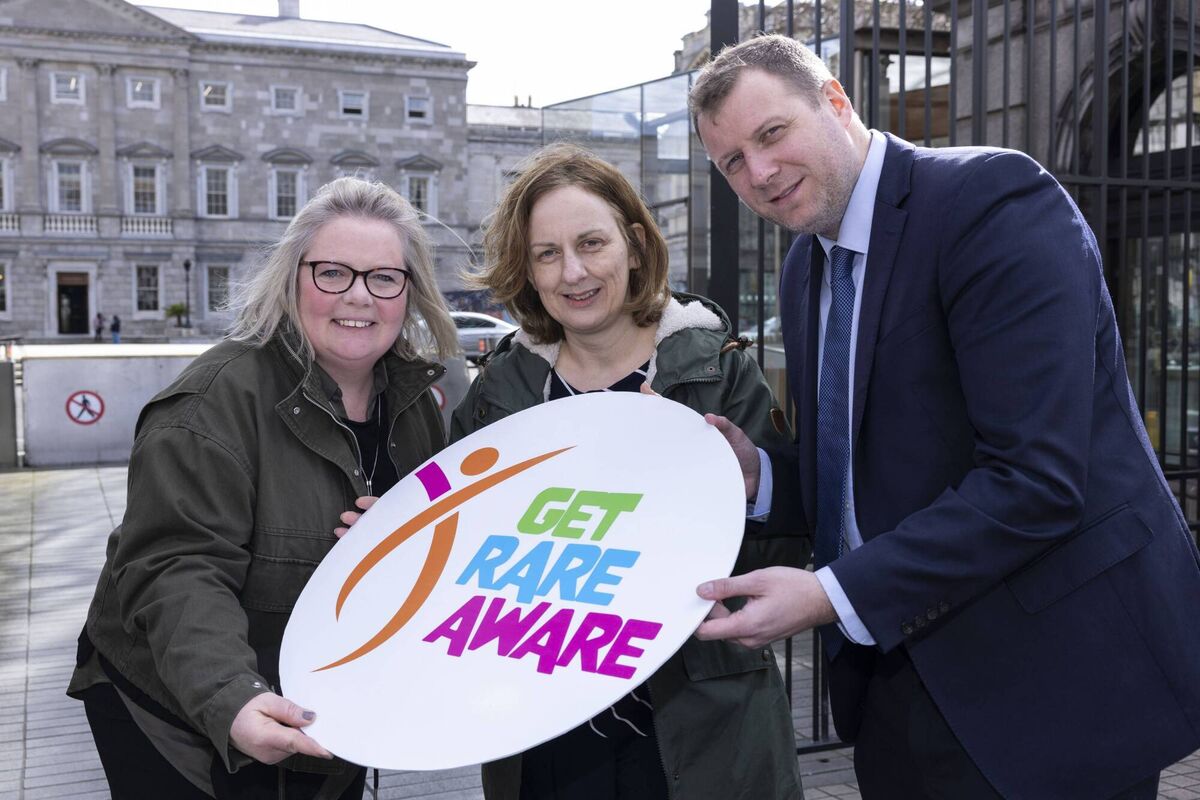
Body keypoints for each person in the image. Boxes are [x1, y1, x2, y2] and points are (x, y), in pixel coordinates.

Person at [686, 33, 1200, 800]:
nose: (758, 173)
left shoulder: (989, 201)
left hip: (1053, 688)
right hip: (896, 684)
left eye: (771, 134)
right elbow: (869, 479)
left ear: (836, 102)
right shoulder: (805, 269)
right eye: (731, 162)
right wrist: (761, 477)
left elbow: (1036, 480)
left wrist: (829, 594)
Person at [67, 177, 459, 799]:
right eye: (333, 272)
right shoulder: (210, 403)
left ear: (409, 293)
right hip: (181, 714)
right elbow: (176, 566)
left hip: (321, 702)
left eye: (385, 278)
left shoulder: (414, 405)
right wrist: (232, 697)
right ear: (292, 277)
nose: (359, 296)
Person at [442, 143, 805, 800]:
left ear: (635, 245)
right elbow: (455, 553)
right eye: (547, 254)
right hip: (545, 738)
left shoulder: (716, 373)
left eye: (591, 243)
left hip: (703, 730)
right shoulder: (500, 394)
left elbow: (787, 551)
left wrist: (753, 486)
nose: (572, 272)